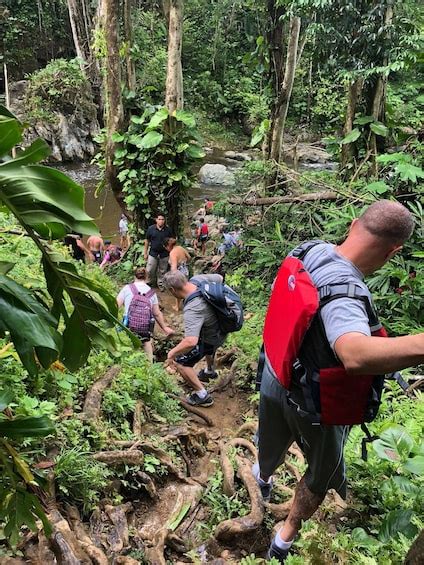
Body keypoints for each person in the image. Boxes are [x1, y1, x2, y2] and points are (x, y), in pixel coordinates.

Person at [255, 200, 423, 563]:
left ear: (352, 224)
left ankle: (263, 478)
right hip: (314, 405)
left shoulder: (309, 251)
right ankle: (284, 539)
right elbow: (354, 353)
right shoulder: (345, 293)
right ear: (393, 252)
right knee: (320, 475)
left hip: (275, 373)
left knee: (269, 441)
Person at [163, 271, 227, 407]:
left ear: (172, 290)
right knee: (208, 347)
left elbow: (191, 341)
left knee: (181, 363)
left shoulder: (193, 308)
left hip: (210, 337)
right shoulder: (198, 280)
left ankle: (202, 395)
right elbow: (220, 278)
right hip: (222, 327)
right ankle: (209, 371)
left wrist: (172, 354)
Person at [117, 267, 174, 362]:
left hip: (128, 324)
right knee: (146, 343)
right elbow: (156, 313)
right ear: (147, 277)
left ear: (134, 276)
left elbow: (116, 305)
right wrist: (164, 327)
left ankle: (128, 362)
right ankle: (150, 365)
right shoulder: (151, 293)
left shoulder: (127, 288)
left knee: (128, 345)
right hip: (144, 327)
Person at [144, 213, 173, 291]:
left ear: (164, 220)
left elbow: (172, 241)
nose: (161, 221)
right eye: (159, 219)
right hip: (153, 253)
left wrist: (171, 253)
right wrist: (145, 253)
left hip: (164, 254)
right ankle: (148, 283)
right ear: (156, 220)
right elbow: (147, 241)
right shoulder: (151, 229)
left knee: (162, 270)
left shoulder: (168, 230)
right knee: (149, 269)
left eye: (162, 219)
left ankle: (161, 285)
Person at [163, 237, 191, 311]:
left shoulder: (172, 253)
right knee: (186, 287)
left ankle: (177, 306)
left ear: (168, 246)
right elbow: (189, 257)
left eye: (166, 248)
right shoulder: (180, 248)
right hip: (185, 270)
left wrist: (171, 277)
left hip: (178, 272)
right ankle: (187, 303)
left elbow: (174, 268)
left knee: (177, 289)